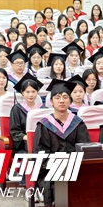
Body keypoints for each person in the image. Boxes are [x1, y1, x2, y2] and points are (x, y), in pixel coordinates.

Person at [35, 78, 92, 206]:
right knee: (59, 185)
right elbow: (40, 156)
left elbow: (85, 149)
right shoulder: (44, 125)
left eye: (65, 97)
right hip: (51, 171)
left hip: (76, 168)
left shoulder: (77, 123)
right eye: (57, 97)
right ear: (51, 101)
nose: (61, 100)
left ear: (70, 101)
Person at [9, 73, 43, 156]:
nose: (30, 95)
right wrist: (30, 138)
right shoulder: (17, 109)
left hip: (42, 143)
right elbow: (15, 132)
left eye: (33, 91)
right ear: (22, 92)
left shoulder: (42, 109)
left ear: (37, 92)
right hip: (24, 145)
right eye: (27, 92)